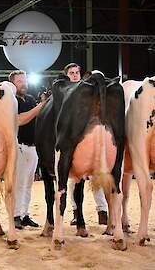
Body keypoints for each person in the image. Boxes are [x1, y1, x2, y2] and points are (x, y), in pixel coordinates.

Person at [64, 63, 108, 226]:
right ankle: (76, 213)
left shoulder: (88, 91)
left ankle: (102, 213)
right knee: (72, 180)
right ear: (67, 75)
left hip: (91, 138)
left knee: (97, 177)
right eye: (71, 73)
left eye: (77, 72)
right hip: (72, 142)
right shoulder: (65, 91)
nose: (75, 75)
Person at [9, 70, 46, 229]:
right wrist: (40, 107)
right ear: (12, 84)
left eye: (25, 80)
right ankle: (16, 215)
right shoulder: (11, 100)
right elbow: (19, 120)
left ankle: (24, 214)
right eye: (20, 81)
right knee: (19, 182)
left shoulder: (30, 99)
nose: (24, 83)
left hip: (33, 146)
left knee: (29, 183)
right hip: (19, 145)